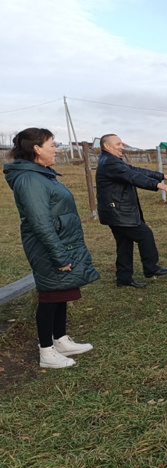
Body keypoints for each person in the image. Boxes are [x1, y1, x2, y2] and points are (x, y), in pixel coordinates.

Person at [4, 128, 100, 368]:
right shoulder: (29, 179)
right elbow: (40, 222)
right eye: (52, 145)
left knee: (61, 291)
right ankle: (46, 352)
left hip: (61, 241)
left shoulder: (42, 174)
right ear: (36, 149)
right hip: (48, 246)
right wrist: (59, 255)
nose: (56, 149)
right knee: (49, 297)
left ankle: (60, 340)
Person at [96, 134, 167, 288]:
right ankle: (151, 268)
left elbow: (134, 170)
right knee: (145, 235)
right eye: (118, 144)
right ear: (107, 146)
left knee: (124, 243)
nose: (122, 147)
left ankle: (124, 278)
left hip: (114, 212)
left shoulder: (110, 160)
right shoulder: (110, 164)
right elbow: (132, 176)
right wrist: (157, 185)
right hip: (118, 212)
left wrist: (161, 176)